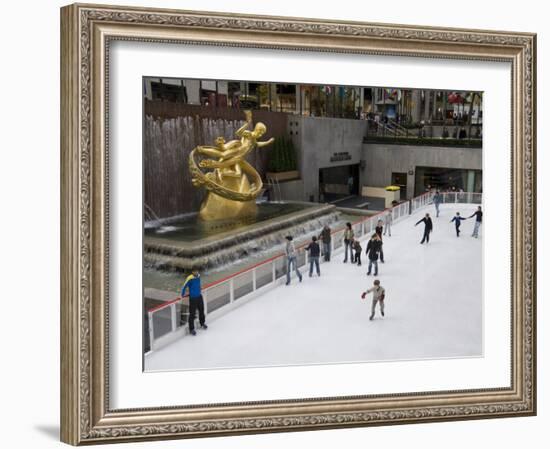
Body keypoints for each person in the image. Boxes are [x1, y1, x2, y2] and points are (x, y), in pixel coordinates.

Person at [180, 268, 207, 336]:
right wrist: (182, 295)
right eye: (195, 271)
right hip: (193, 298)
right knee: (192, 313)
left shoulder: (198, 276)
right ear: (192, 272)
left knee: (201, 310)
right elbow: (184, 286)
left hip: (199, 296)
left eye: (197, 271)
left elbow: (199, 283)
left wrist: (200, 287)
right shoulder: (190, 278)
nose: (196, 272)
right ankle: (191, 329)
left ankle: (202, 323)